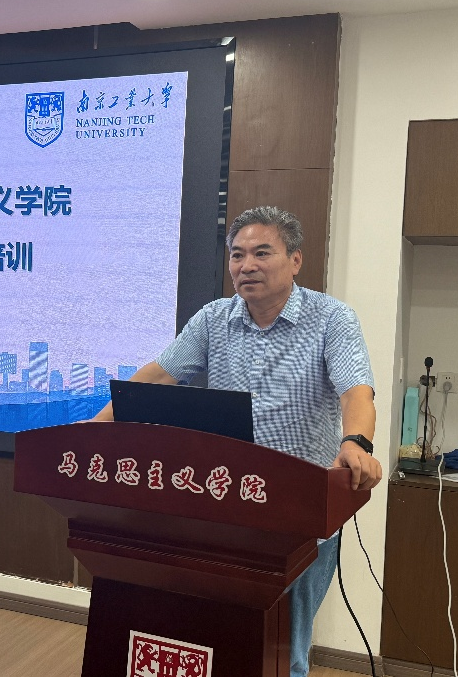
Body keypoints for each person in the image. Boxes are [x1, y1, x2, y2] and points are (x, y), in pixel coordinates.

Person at [90, 205, 382, 677]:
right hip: (228, 505)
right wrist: (96, 428)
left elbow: (356, 392)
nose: (247, 265)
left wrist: (356, 444)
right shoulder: (214, 319)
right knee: (221, 634)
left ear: (295, 260)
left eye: (262, 253)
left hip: (301, 506)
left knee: (285, 646)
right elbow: (158, 376)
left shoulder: (332, 319)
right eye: (237, 255)